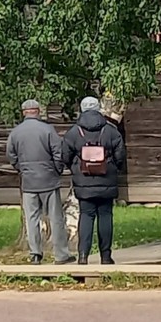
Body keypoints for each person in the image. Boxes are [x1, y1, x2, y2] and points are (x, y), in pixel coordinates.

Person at [5, 99, 72, 264]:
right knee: (55, 218)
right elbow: (58, 152)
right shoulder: (47, 129)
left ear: (24, 112)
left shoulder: (16, 132)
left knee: (32, 218)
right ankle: (61, 255)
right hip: (49, 180)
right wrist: (57, 170)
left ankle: (35, 253)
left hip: (28, 182)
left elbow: (10, 154)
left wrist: (21, 168)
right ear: (38, 111)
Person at [64, 95, 127, 264]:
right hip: (107, 180)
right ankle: (105, 257)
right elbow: (120, 155)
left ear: (82, 109)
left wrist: (76, 169)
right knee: (105, 217)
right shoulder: (111, 131)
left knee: (86, 216)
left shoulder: (74, 133)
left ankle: (83, 256)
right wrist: (113, 168)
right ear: (99, 108)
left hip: (83, 182)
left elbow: (65, 156)